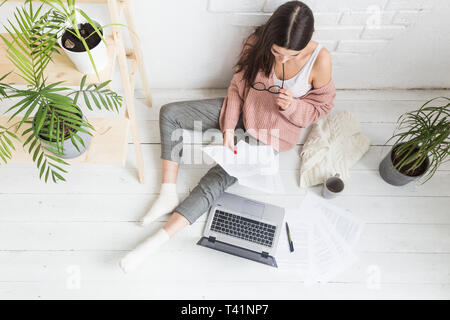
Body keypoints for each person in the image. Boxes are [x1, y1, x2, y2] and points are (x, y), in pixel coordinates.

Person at [120, 0, 336, 272]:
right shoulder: (258, 42)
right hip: (243, 112)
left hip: (271, 134)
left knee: (216, 178)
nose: (282, 60)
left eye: (291, 56)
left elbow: (322, 106)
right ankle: (167, 191)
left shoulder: (321, 59)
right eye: (277, 52)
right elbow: (236, 88)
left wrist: (293, 106)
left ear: (306, 43)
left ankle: (153, 243)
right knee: (170, 114)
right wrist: (228, 130)